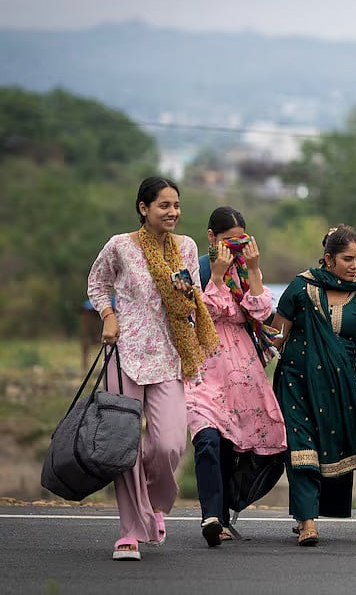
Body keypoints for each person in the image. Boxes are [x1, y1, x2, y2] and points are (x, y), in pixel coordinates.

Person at [87, 176, 219, 561]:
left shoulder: (186, 247)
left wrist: (187, 298)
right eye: (164, 205)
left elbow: (193, 298)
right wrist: (109, 315)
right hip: (125, 354)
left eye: (176, 205)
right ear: (143, 208)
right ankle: (130, 530)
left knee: (169, 444)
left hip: (170, 356)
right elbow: (97, 284)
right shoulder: (120, 247)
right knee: (124, 447)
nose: (173, 212)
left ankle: (152, 504)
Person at [270, 224, 356, 547]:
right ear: (329, 259)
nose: (355, 265)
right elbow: (277, 335)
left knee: (325, 451)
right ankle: (307, 523)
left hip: (339, 390)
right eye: (348, 258)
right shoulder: (301, 288)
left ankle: (311, 512)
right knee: (301, 450)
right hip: (296, 382)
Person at [187, 206, 287, 547]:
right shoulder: (195, 268)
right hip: (204, 364)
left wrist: (255, 269)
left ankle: (227, 510)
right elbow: (199, 314)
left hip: (242, 364)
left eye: (241, 241)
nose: (235, 249)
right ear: (211, 238)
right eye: (228, 242)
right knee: (207, 437)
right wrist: (215, 276)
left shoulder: (245, 271)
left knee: (243, 444)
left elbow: (261, 312)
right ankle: (210, 515)